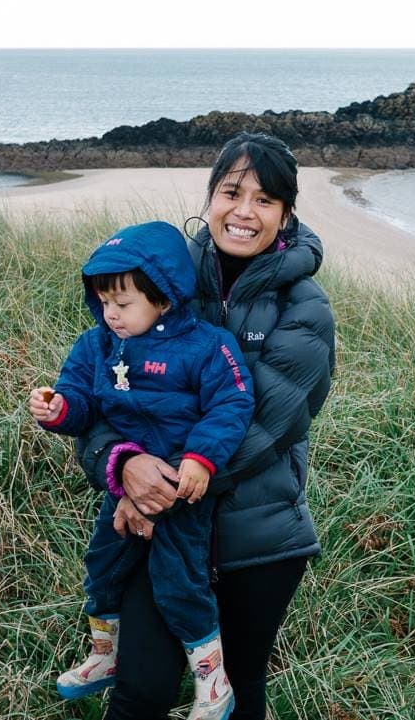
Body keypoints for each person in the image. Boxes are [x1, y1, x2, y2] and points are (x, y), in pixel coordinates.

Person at [76, 132, 336, 720]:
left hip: (257, 539)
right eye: (232, 192)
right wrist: (120, 466)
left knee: (238, 693)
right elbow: (97, 393)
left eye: (265, 200)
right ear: (210, 195)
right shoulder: (157, 278)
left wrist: (152, 496)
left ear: (286, 212)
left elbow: (265, 427)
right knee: (139, 691)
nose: (244, 211)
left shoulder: (305, 309)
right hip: (158, 536)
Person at [28, 220, 255, 719]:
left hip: (182, 490)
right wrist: (58, 408)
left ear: (165, 297)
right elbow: (83, 405)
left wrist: (199, 459)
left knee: (178, 583)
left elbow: (232, 403)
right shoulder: (95, 347)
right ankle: (104, 656)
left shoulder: (207, 346)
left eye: (123, 303)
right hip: (121, 486)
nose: (110, 314)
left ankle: (213, 684)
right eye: (103, 301)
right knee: (102, 566)